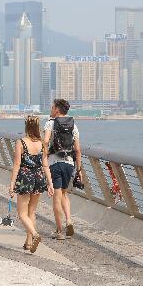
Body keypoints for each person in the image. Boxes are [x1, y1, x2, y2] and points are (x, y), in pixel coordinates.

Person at [8, 116, 54, 253]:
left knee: (22, 213)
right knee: (31, 212)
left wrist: (12, 184)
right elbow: (45, 165)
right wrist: (50, 184)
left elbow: (17, 165)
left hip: (25, 178)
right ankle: (28, 243)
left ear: (26, 126)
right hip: (39, 178)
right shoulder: (42, 144)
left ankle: (34, 235)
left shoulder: (21, 142)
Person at [42, 99, 82, 240]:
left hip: (55, 163)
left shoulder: (50, 123)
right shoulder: (73, 126)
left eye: (52, 107)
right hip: (69, 164)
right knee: (65, 194)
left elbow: (46, 141)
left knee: (56, 199)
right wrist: (80, 170)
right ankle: (69, 220)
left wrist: (44, 155)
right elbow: (77, 150)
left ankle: (59, 232)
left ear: (57, 110)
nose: (51, 110)